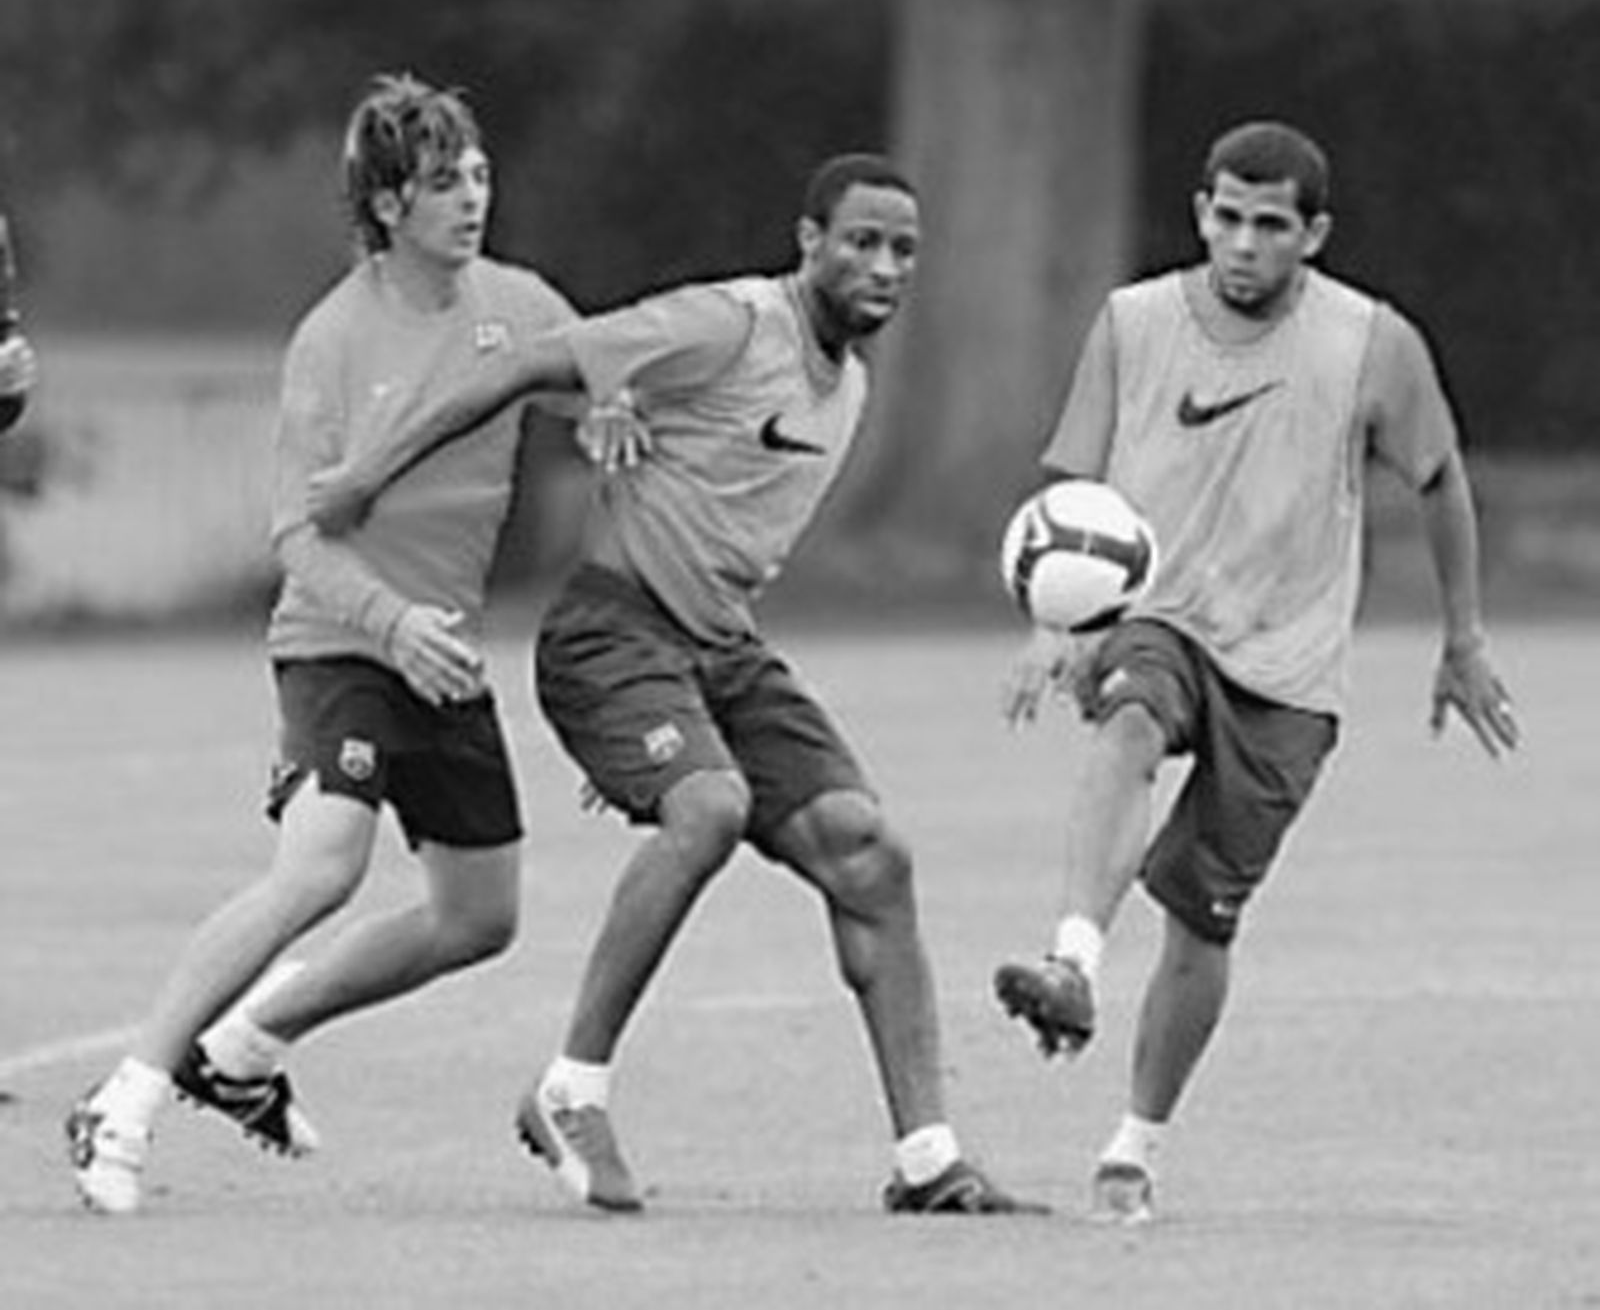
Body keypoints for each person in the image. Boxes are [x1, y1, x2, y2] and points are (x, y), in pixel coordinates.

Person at [305, 153, 1043, 1216]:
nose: (883, 265)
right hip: (610, 632)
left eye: (903, 250)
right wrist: (373, 473)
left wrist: (623, 403)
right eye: (862, 241)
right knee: (711, 803)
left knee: (870, 853)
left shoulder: (854, 384)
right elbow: (535, 358)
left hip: (720, 650)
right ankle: (571, 1089)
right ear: (808, 242)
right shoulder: (735, 323)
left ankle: (928, 1157)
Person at [66, 73, 636, 1215]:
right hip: (341, 641)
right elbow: (299, 536)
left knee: (481, 918)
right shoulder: (330, 340)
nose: (470, 198)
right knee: (323, 865)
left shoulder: (517, 305)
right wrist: (392, 623)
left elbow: (598, 376)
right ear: (384, 205)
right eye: (439, 183)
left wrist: (613, 401)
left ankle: (244, 1045)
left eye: (476, 173)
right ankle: (122, 1100)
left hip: (444, 649)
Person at [991, 120, 1521, 1224]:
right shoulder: (1132, 324)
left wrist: (1461, 637)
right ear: (1200, 212)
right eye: (1225, 217)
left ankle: (1133, 1145)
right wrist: (1051, 625)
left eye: (1269, 224)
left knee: (1205, 914)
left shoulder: (1373, 344)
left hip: (1290, 667)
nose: (1242, 243)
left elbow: (1439, 477)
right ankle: (1073, 960)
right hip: (1158, 617)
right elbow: (1068, 495)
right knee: (1128, 722)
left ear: (1312, 233)